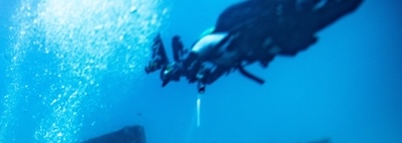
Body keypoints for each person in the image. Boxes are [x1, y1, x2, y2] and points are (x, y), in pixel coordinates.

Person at [145, 0, 363, 92]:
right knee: (342, 8)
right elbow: (216, 71)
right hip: (285, 36)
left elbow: (200, 47)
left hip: (280, 23)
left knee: (329, 7)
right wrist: (203, 77)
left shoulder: (213, 42)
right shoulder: (222, 61)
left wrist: (182, 66)